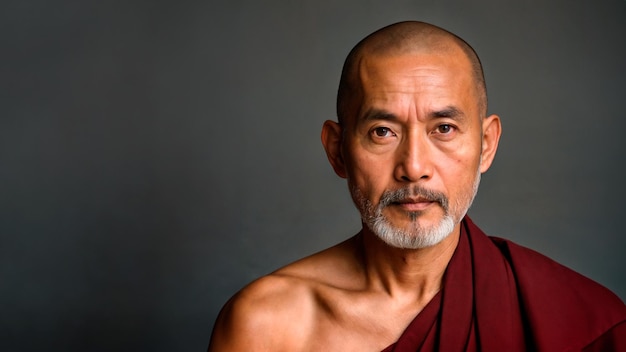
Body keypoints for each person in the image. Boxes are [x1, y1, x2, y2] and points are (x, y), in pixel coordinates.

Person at [208, 21, 626, 351]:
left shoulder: (583, 321)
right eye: (382, 132)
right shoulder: (269, 326)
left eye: (443, 128)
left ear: (486, 145)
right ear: (337, 150)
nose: (414, 167)